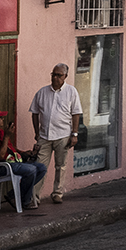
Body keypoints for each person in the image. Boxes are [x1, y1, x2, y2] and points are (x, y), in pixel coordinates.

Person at [28, 63, 82, 206]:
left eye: (59, 75)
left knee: (61, 165)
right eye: (54, 75)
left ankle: (57, 193)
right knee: (39, 166)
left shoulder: (71, 92)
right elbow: (34, 112)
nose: (55, 78)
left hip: (62, 135)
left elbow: (76, 113)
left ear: (65, 76)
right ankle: (35, 196)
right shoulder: (42, 92)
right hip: (44, 136)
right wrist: (37, 132)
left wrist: (74, 134)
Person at [0, 107, 46, 211]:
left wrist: (23, 153)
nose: (3, 120)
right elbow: (1, 155)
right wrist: (6, 137)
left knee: (41, 168)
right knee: (31, 170)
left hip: (12, 163)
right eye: (0, 118)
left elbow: (11, 148)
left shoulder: (1, 132)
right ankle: (25, 201)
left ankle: (13, 194)